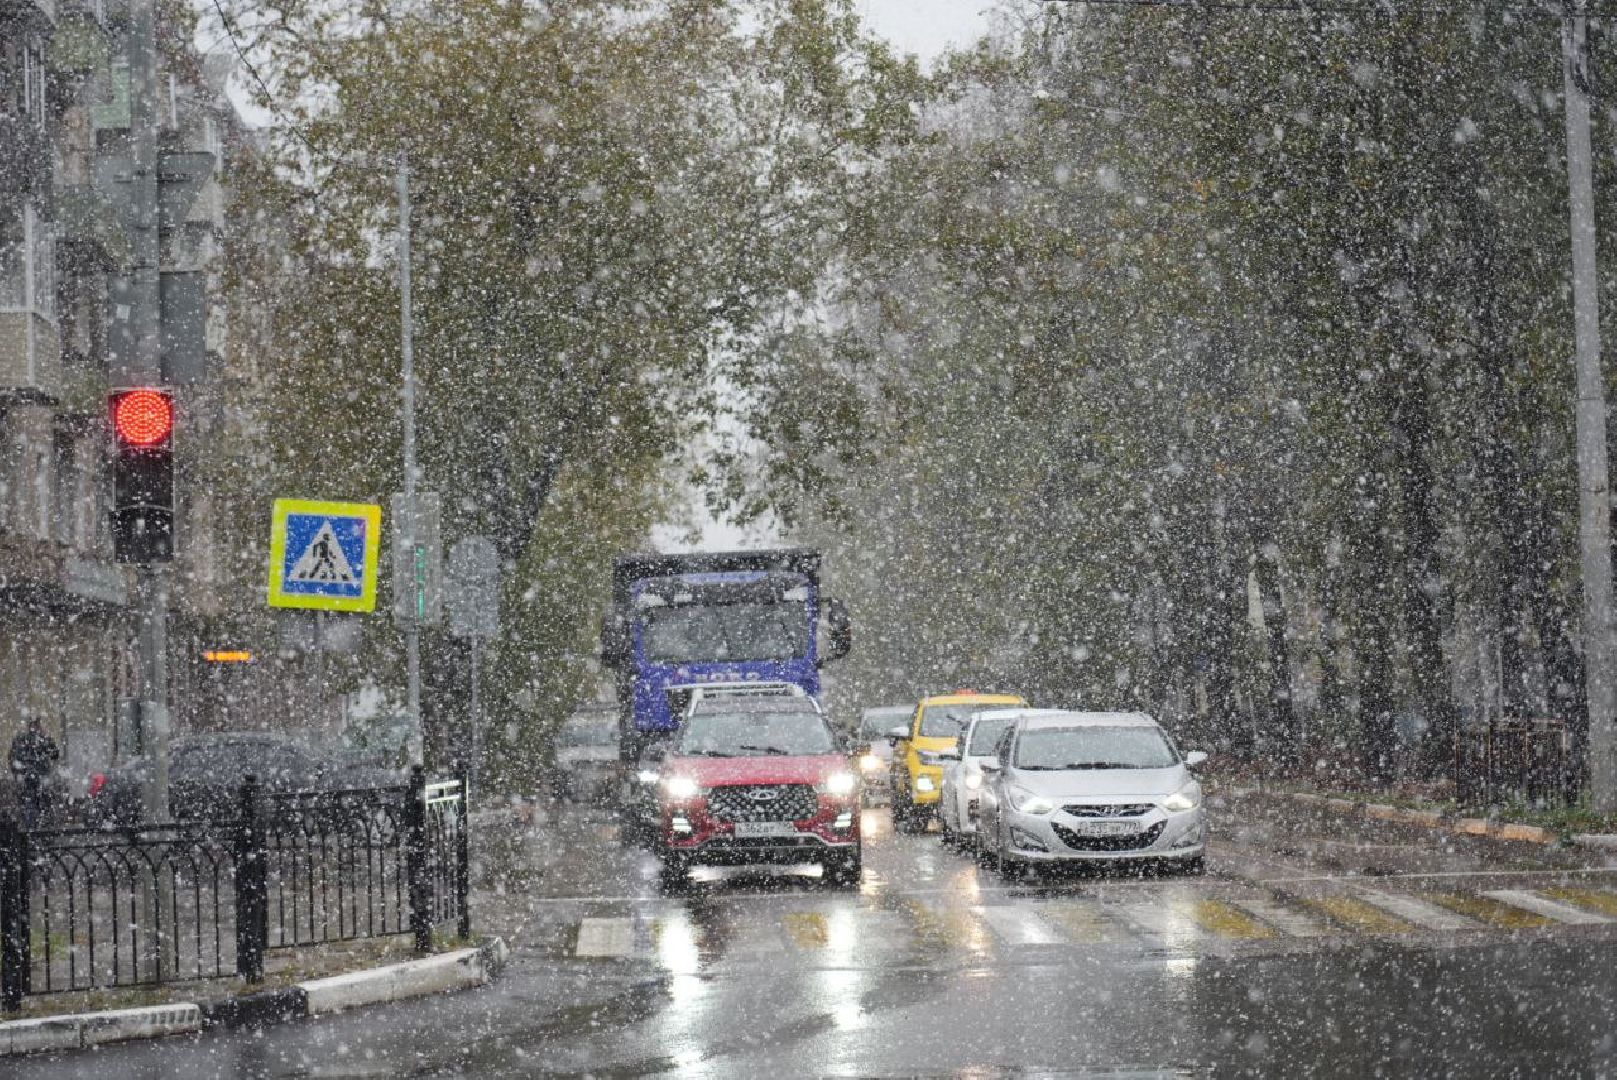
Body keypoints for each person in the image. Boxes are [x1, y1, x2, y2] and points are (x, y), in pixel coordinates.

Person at [9, 718, 59, 829]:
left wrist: (17, 773)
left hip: (28, 777)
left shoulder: (21, 739)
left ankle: (31, 828)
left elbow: (12, 758)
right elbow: (55, 754)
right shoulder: (43, 739)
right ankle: (40, 828)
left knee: (30, 804)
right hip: (39, 777)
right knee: (41, 803)